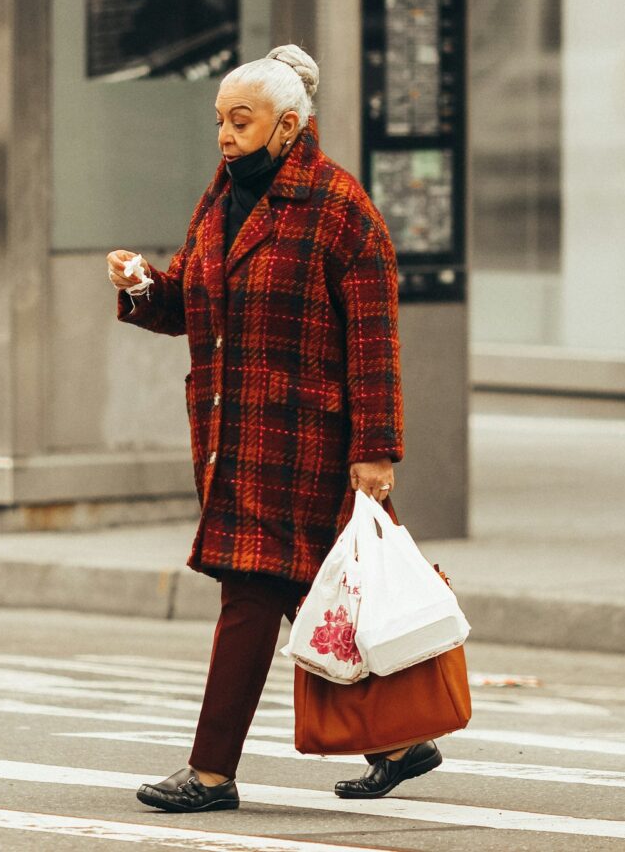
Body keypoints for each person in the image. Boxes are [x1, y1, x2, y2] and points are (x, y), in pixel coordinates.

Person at [108, 44, 442, 812]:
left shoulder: (340, 209)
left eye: (240, 120)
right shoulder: (221, 198)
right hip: (235, 435)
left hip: (304, 441)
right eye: (219, 120)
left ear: (288, 125)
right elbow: (193, 301)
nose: (223, 135)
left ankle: (212, 772)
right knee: (305, 593)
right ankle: (396, 740)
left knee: (252, 592)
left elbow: (375, 340)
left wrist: (376, 452)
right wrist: (144, 287)